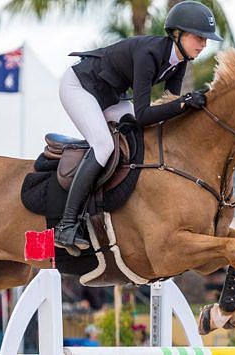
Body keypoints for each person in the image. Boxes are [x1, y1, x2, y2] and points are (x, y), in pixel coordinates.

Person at [55, 0, 223, 253]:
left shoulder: (179, 61)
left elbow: (168, 108)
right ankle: (66, 226)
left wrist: (191, 108)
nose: (203, 44)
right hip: (80, 87)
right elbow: (145, 114)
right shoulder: (149, 54)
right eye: (198, 37)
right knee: (103, 146)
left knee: (141, 139)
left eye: (205, 39)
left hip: (110, 95)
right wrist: (183, 104)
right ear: (177, 34)